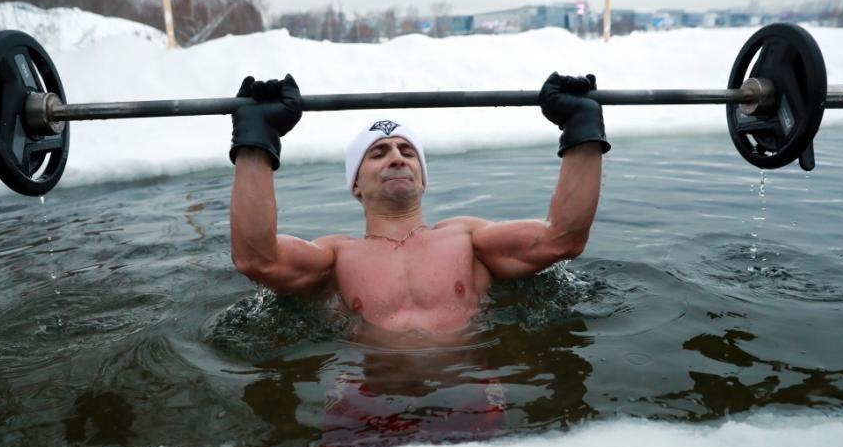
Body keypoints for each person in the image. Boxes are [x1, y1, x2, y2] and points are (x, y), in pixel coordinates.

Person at [229, 73, 609, 335]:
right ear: (356, 185)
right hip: (368, 401)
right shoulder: (335, 256)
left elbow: (563, 239)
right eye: (378, 153)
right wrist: (255, 140)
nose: (397, 157)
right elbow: (257, 259)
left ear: (423, 178)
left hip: (465, 390)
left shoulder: (467, 239)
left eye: (407, 151)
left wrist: (581, 130)